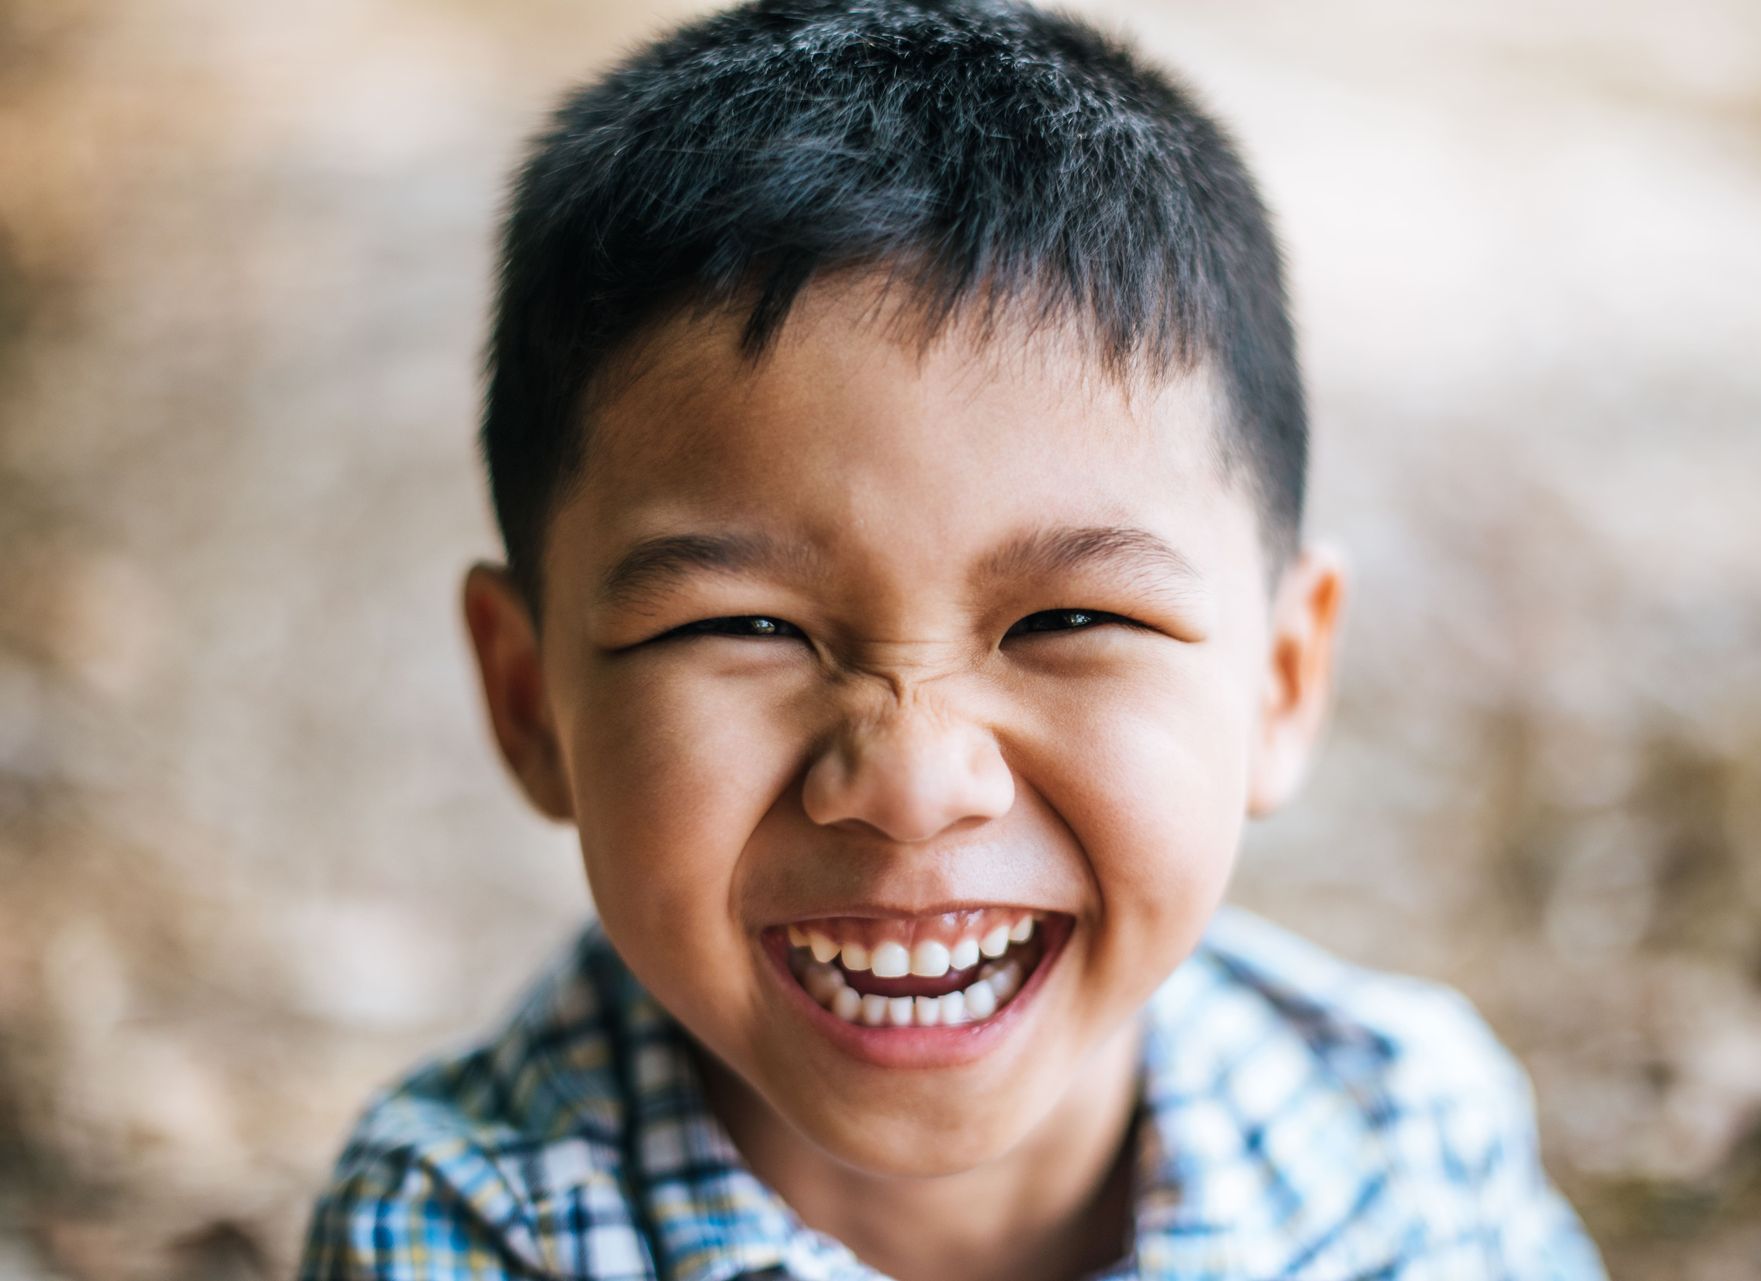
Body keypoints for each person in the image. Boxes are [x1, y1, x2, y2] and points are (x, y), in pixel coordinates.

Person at [299, 0, 1608, 1276]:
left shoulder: (1406, 1147)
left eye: (1069, 620)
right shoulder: (463, 1225)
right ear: (530, 702)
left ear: (1282, 681)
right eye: (746, 624)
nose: (914, 785)